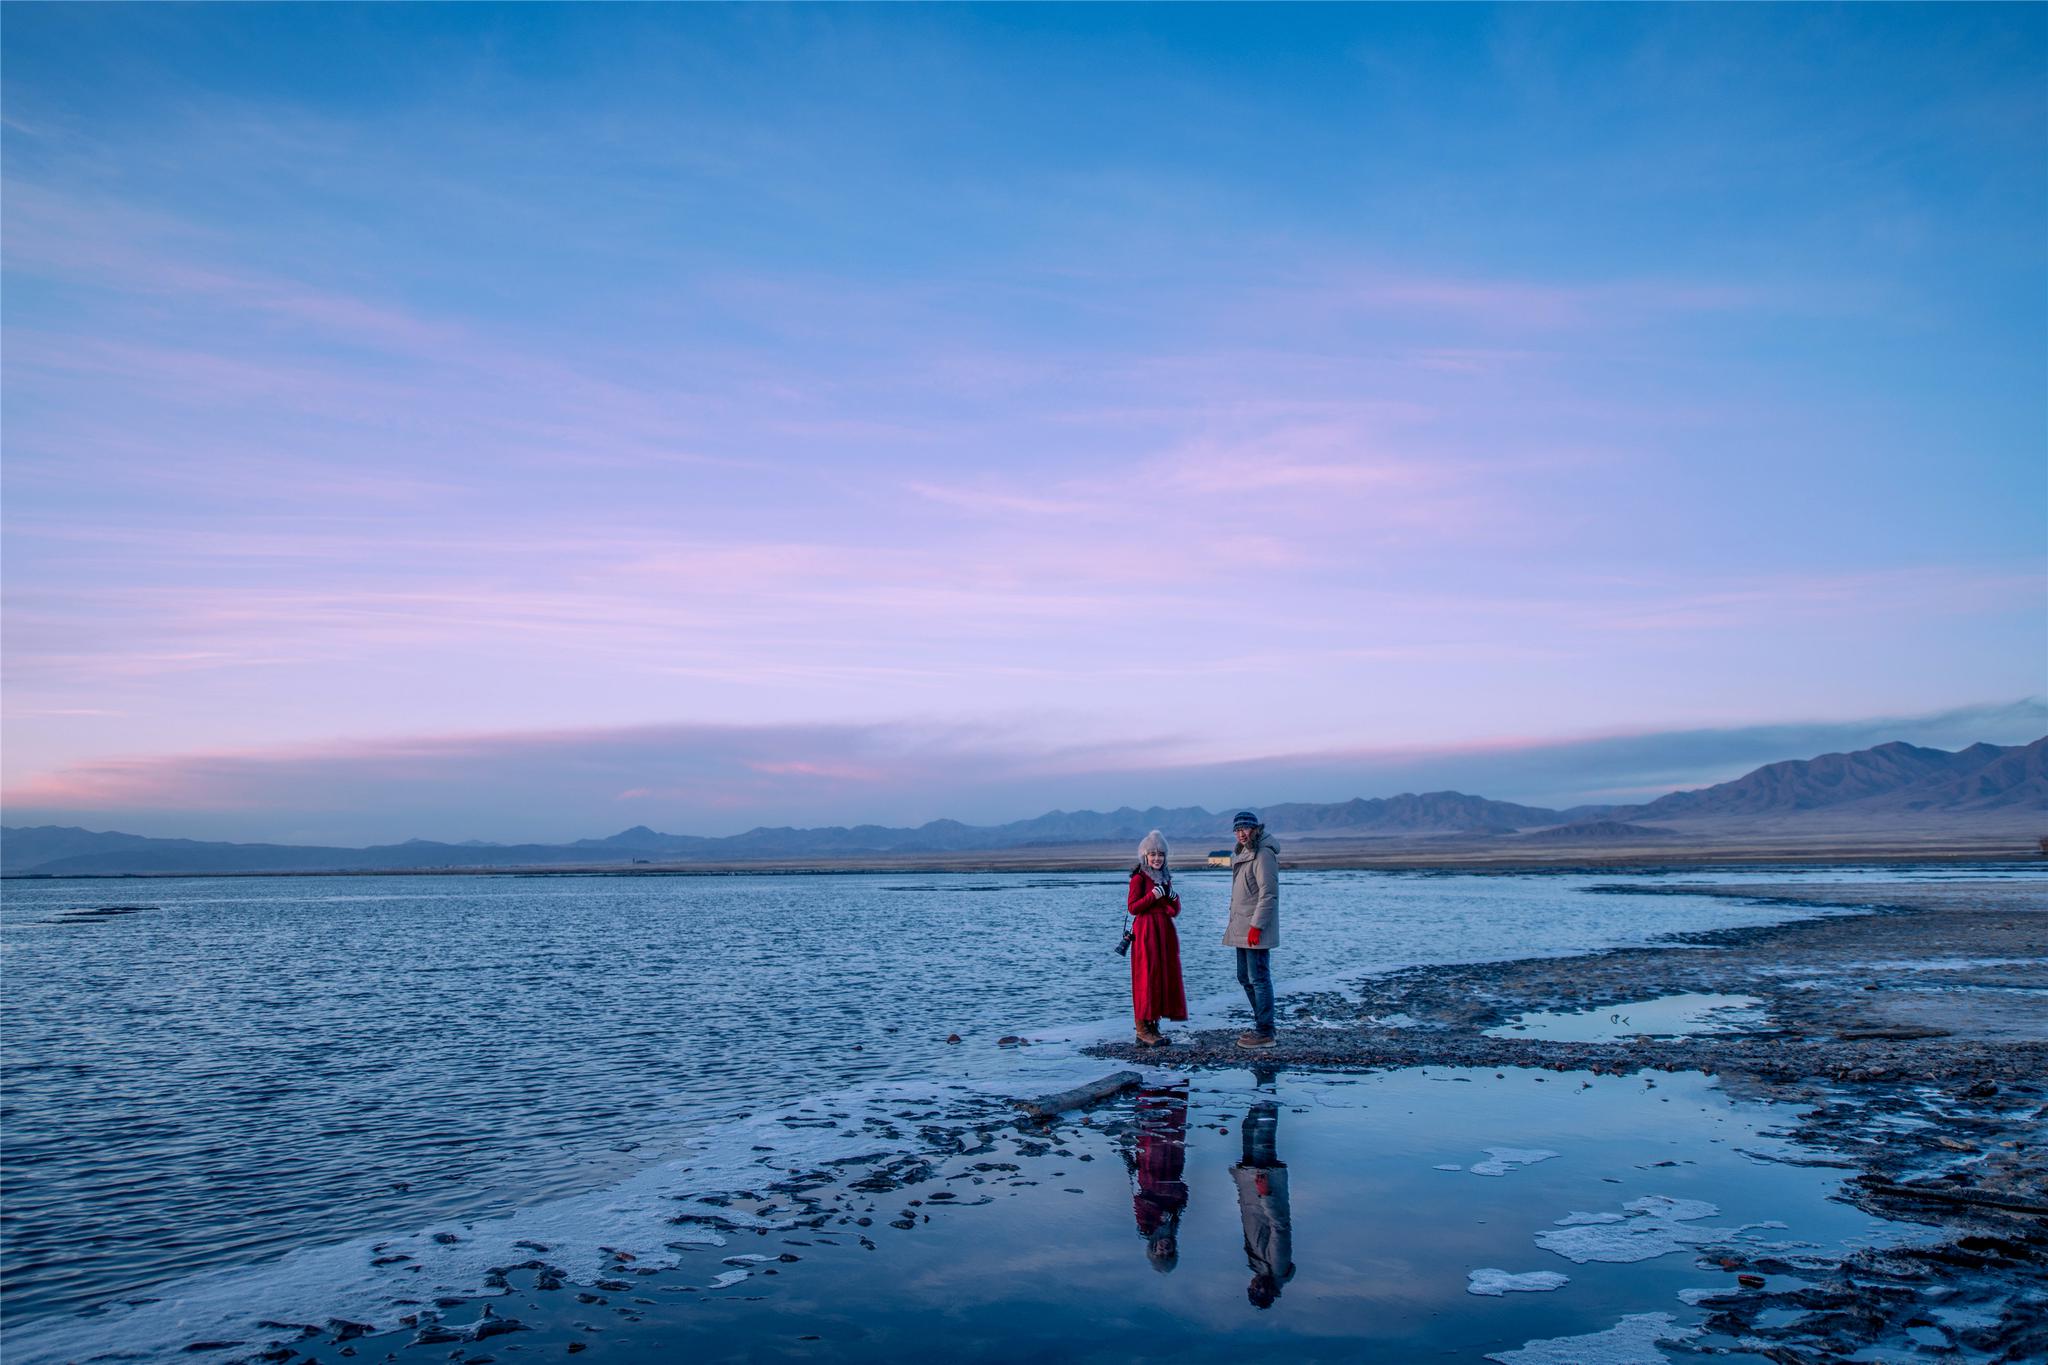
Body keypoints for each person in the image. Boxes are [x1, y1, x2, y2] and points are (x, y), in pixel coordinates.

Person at [1223, 810, 1280, 1048]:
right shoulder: (1245, 853)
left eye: (1245, 829)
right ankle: (1262, 1026)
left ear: (1255, 829)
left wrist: (1256, 926)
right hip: (1241, 926)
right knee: (1244, 977)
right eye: (1237, 830)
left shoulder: (1263, 854)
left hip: (1254, 928)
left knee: (1258, 977)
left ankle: (1266, 1032)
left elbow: (1268, 894)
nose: (1241, 834)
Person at [1126, 830, 1188, 1047]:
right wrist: (1153, 897)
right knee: (1146, 977)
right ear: (1145, 856)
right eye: (1152, 854)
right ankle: (1142, 1029)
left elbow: (1174, 910)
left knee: (1161, 976)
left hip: (1164, 932)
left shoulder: (1165, 878)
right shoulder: (1138, 878)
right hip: (1145, 933)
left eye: (1160, 854)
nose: (1157, 858)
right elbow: (1133, 908)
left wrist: (1173, 897)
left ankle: (1153, 1026)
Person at [1232, 1098, 1295, 1308]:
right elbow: (1281, 1227)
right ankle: (1267, 1083)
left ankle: (1260, 1089)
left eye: (1253, 1289)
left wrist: (1243, 1188)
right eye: (1261, 1292)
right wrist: (1265, 1194)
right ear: (1271, 1293)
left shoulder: (1258, 1267)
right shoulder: (1278, 1267)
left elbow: (1250, 1223)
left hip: (1251, 1187)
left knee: (1250, 1129)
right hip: (1264, 1186)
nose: (1257, 1286)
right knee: (1263, 1138)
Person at [1128, 1086, 1189, 1272]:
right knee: (1174, 1127)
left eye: (1160, 1253)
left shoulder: (1146, 1227)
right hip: (1173, 1167)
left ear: (1153, 1249)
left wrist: (1159, 1210)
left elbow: (1139, 1201)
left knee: (1152, 1132)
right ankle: (1175, 1089)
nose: (1164, 1249)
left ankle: (1152, 1089)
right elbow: (1184, 1196)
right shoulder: (1174, 1225)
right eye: (1168, 1253)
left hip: (1150, 1174)